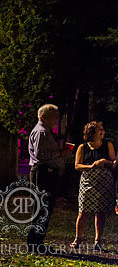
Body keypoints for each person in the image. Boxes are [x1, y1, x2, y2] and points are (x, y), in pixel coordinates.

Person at [26, 103, 73, 250]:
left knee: (43, 207)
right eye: (54, 117)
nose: (56, 120)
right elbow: (41, 155)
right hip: (43, 173)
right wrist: (60, 154)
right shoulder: (42, 132)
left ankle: (36, 242)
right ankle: (35, 243)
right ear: (43, 117)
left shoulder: (44, 131)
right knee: (43, 207)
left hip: (44, 173)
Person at [72, 121, 115, 249]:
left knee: (100, 211)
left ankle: (98, 241)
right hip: (87, 181)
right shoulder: (83, 147)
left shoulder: (107, 144)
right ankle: (78, 239)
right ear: (91, 132)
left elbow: (113, 162)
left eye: (103, 129)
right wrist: (91, 166)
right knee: (83, 211)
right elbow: (77, 165)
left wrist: (104, 161)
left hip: (104, 181)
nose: (102, 131)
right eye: (99, 129)